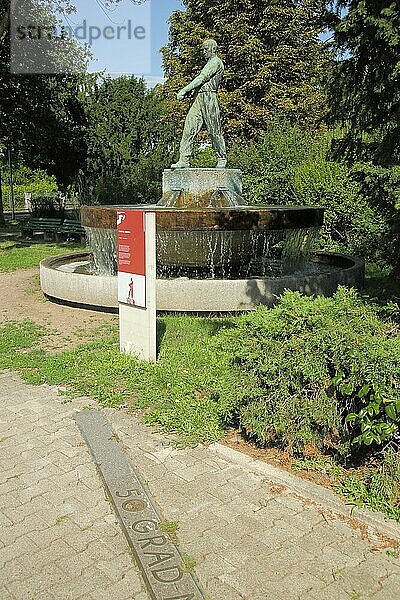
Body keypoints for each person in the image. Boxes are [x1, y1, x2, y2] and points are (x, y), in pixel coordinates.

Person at [171, 38, 227, 169]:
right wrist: (193, 91)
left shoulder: (216, 62)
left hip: (209, 98)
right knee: (189, 129)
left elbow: (202, 78)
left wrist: (185, 89)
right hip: (198, 98)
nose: (203, 52)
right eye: (203, 49)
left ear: (213, 49)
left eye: (205, 49)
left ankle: (221, 157)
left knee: (214, 131)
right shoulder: (209, 63)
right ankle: (184, 159)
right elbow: (201, 83)